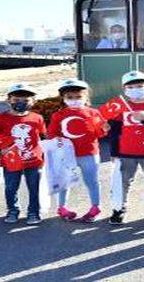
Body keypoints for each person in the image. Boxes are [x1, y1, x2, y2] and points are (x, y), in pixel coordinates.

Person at [107, 71, 144, 225]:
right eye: (131, 86)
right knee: (122, 182)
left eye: (140, 86)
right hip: (126, 153)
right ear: (124, 89)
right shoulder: (121, 108)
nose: (136, 89)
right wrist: (114, 152)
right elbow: (114, 131)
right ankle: (119, 208)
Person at [47, 78, 109, 223]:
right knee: (64, 182)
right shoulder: (59, 115)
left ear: (86, 96)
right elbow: (52, 134)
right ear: (63, 98)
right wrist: (57, 143)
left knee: (92, 181)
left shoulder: (94, 113)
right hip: (67, 156)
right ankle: (62, 207)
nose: (74, 100)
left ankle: (95, 207)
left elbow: (98, 133)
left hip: (89, 153)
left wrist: (104, 130)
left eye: (78, 97)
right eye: (70, 97)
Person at [0, 83, 46, 225]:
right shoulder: (0, 118)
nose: (20, 103)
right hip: (11, 160)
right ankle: (12, 210)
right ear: (8, 100)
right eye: (16, 99)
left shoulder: (37, 118)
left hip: (33, 159)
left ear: (33, 101)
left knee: (34, 187)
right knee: (11, 187)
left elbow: (43, 137)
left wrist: (45, 155)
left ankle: (34, 211)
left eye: (26, 100)